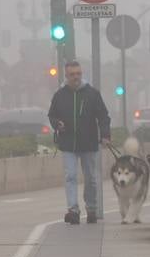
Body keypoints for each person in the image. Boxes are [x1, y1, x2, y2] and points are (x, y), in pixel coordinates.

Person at [48, 60, 112, 225]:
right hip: (68, 143)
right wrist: (57, 124)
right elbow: (52, 115)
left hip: (89, 142)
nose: (76, 77)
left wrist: (105, 134)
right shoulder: (60, 95)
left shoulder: (92, 94)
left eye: (78, 74)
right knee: (70, 176)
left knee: (90, 177)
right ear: (66, 76)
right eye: (72, 74)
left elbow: (103, 116)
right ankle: (73, 210)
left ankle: (91, 208)